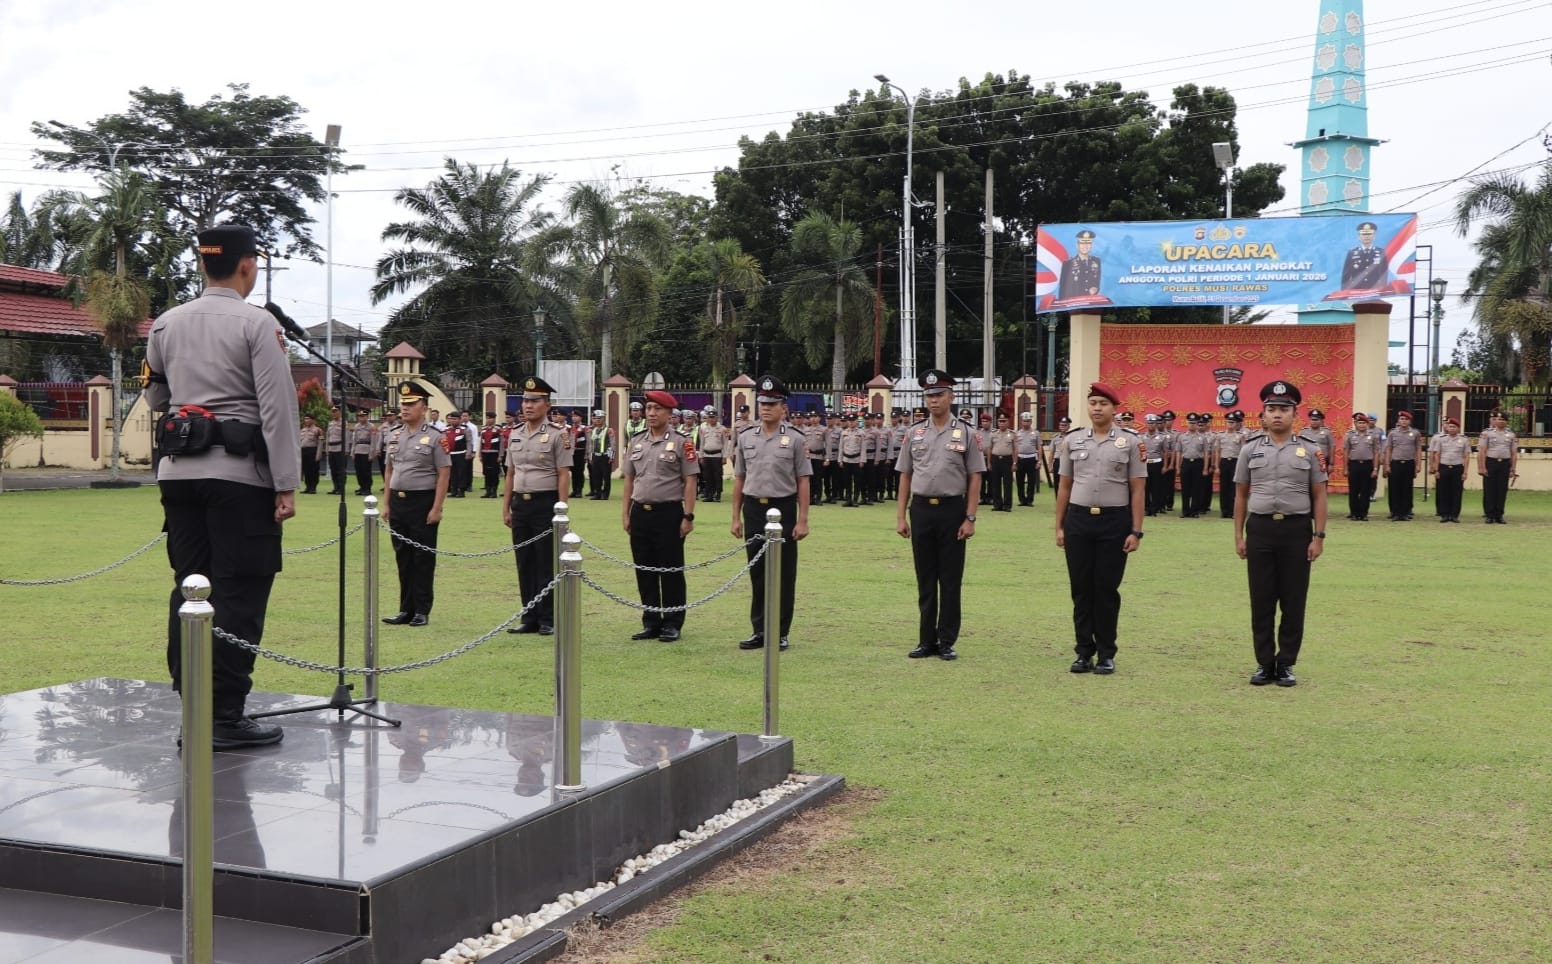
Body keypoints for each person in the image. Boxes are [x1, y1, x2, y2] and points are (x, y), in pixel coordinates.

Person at [143, 223, 298, 749]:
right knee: (239, 592)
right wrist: (286, 483)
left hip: (179, 475)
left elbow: (155, 397)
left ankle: (194, 709)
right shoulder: (258, 324)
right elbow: (277, 408)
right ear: (248, 266)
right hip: (239, 477)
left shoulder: (165, 324)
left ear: (202, 264)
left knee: (191, 589)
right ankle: (225, 717)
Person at [1233, 381, 1327, 687]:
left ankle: (1286, 662)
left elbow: (1320, 495)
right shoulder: (1249, 449)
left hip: (1296, 530)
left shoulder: (1311, 450)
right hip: (1259, 529)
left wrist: (1319, 536)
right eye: (1271, 409)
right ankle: (1264, 663)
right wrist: (1238, 535)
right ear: (1262, 414)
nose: (1277, 415)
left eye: (1283, 409)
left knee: (1293, 599)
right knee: (1261, 599)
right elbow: (1241, 495)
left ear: (1294, 414)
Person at [1055, 382, 1145, 675]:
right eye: (1093, 403)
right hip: (1078, 521)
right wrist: (1059, 525)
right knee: (1081, 589)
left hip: (1114, 522)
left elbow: (1137, 489)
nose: (1097, 408)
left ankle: (1106, 653)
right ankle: (1083, 652)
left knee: (1106, 590)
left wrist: (1136, 530)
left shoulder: (1131, 442)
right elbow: (1064, 486)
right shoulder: (1073, 440)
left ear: (1114, 408)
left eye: (1103, 404)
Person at [895, 370, 985, 661]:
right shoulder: (914, 433)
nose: (934, 400)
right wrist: (900, 516)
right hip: (921, 509)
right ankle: (926, 640)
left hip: (951, 510)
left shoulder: (967, 433)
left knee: (949, 578)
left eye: (939, 395)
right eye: (929, 396)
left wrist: (970, 517)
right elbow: (905, 475)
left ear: (951, 396)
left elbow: (975, 477)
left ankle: (946, 640)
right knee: (925, 577)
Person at [731, 374, 812, 652]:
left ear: (783, 407)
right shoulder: (745, 438)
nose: (765, 407)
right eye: (762, 402)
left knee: (784, 573)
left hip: (784, 508)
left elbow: (803, 479)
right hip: (754, 508)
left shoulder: (795, 439)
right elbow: (739, 478)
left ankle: (780, 631)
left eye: (772, 403)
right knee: (757, 571)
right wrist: (735, 516)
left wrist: (802, 520)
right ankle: (759, 629)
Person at [621, 390, 699, 642]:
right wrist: (625, 513)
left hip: (669, 513)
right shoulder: (636, 440)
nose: (651, 413)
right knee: (644, 569)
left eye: (657, 409)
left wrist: (688, 515)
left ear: (669, 413)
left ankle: (673, 622)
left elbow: (690, 480)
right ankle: (651, 620)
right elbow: (629, 479)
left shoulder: (681, 441)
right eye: (649, 409)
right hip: (641, 512)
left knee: (671, 570)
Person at [503, 376, 571, 635]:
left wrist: (561, 509)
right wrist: (506, 506)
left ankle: (547, 618)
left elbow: (563, 473)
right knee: (524, 561)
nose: (528, 406)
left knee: (545, 561)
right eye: (525, 401)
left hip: (546, 503)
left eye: (534, 401)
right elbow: (510, 472)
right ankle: (528, 615)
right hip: (521, 503)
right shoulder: (515, 433)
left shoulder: (557, 434)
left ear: (547, 404)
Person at [380, 379, 450, 627]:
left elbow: (443, 473)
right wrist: (386, 503)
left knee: (422, 557)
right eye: (403, 404)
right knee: (403, 557)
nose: (405, 408)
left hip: (423, 502)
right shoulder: (394, 434)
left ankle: (422, 609)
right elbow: (389, 471)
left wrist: (437, 507)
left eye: (411, 403)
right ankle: (405, 608)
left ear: (424, 407)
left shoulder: (434, 437)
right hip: (399, 502)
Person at [1477, 410, 1517, 523]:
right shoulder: (1487, 434)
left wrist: (1513, 468)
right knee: (1490, 489)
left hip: (1505, 464)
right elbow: (1483, 451)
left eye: (1503, 419)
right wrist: (1482, 467)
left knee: (1502, 490)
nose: (1500, 421)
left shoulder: (1511, 435)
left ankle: (1499, 515)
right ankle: (1489, 514)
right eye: (1498, 419)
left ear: (1506, 422)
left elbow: (1513, 453)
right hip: (1491, 462)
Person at [1429, 416, 1470, 523]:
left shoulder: (1464, 440)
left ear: (1458, 428)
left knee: (1456, 492)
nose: (1451, 428)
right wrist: (1436, 470)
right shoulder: (1441, 440)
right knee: (1443, 492)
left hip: (1457, 468)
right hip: (1444, 467)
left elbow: (1466, 456)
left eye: (1454, 427)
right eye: (1450, 426)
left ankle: (1454, 515)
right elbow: (1437, 455)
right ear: (1447, 428)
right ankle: (1444, 514)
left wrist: (1465, 472)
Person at [1382, 410, 1422, 521]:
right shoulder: (1392, 433)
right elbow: (1388, 449)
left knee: (1407, 489)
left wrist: (1418, 464)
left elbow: (1418, 449)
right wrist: (1387, 464)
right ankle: (1395, 512)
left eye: (1406, 419)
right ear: (1398, 421)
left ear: (1409, 421)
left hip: (1409, 463)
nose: (1403, 421)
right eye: (1401, 419)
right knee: (1394, 489)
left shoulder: (1415, 433)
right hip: (1395, 463)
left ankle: (1405, 513)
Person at [1342, 413, 1378, 520]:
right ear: (1356, 424)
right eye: (1359, 423)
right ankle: (1354, 513)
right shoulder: (1350, 436)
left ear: (1367, 424)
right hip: (1354, 465)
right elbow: (1345, 452)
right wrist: (1345, 468)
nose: (1362, 425)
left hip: (1367, 465)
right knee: (1353, 491)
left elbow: (1376, 452)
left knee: (1365, 491)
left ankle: (1363, 513)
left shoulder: (1372, 436)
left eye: (1363, 423)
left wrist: (1375, 468)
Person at [1214, 411, 1248, 519]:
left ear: (1236, 424)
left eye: (1232, 422)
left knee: (1234, 488)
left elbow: (1243, 452)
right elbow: (1217, 452)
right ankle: (1224, 511)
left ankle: (1233, 511)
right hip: (1224, 462)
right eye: (1228, 422)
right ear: (1226, 423)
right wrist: (1217, 466)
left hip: (1235, 462)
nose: (1230, 424)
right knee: (1224, 487)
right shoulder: (1220, 436)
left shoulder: (1240, 436)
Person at [1178, 413, 1210, 518]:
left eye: (1194, 423)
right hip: (1186, 463)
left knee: (1197, 488)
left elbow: (1206, 453)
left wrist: (1205, 468)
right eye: (1190, 423)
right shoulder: (1182, 437)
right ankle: (1185, 511)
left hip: (1198, 463)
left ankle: (1195, 511)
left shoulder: (1203, 437)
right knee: (1185, 489)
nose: (1192, 425)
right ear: (1187, 423)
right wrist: (1178, 466)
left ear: (1197, 424)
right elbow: (1178, 452)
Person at [1339, 221, 1387, 292]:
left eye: (1369, 234)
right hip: (1356, 290)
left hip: (1375, 290)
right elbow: (1346, 276)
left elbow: (1384, 273)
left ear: (1374, 236)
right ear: (1359, 237)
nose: (1366, 236)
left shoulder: (1381, 252)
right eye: (1364, 234)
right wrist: (1344, 292)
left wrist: (1382, 289)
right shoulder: (1352, 253)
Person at [1057, 229, 1102, 300]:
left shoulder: (1096, 261)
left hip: (1090, 301)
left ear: (1091, 246)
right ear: (1077, 245)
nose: (1085, 246)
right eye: (1082, 243)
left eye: (1088, 243)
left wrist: (1095, 288)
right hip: (1074, 303)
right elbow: (1063, 286)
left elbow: (1096, 281)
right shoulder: (1068, 263)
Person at [985, 413, 1016, 511]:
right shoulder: (993, 434)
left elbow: (1015, 449)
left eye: (1004, 421)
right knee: (995, 483)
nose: (1002, 423)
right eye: (1000, 421)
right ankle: (997, 504)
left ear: (1008, 422)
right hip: (995, 459)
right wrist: (989, 462)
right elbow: (989, 448)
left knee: (1007, 484)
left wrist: (1015, 463)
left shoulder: (1012, 434)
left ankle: (1007, 505)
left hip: (1007, 460)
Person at [697, 405, 728, 502]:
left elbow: (725, 444)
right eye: (709, 417)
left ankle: (717, 494)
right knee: (707, 476)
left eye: (713, 417)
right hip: (706, 455)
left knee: (717, 476)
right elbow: (701, 443)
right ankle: (709, 495)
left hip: (717, 456)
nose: (711, 419)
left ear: (717, 418)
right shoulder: (704, 429)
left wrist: (724, 456)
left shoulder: (722, 429)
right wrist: (701, 456)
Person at [586, 409, 617, 500]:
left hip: (605, 456)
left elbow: (613, 444)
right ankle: (597, 493)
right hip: (596, 456)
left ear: (604, 419)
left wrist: (611, 456)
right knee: (596, 476)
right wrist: (590, 456)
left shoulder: (609, 430)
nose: (597, 420)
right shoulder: (593, 430)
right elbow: (591, 444)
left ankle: (605, 494)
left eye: (599, 418)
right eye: (595, 418)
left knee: (606, 476)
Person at [1015, 412, 1042, 506]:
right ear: (1021, 422)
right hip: (1020, 458)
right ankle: (1022, 500)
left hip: (1031, 458)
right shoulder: (1017, 433)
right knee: (1020, 480)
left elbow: (1039, 447)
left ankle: (1029, 500)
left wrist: (1039, 461)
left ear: (1031, 421)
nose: (1026, 423)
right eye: (1024, 421)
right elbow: (1015, 448)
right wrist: (1014, 462)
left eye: (1028, 421)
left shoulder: (1036, 433)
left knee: (1031, 481)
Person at [350, 408, 377, 496]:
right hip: (358, 450)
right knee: (359, 471)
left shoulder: (371, 427)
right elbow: (354, 440)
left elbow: (373, 441)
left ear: (367, 416)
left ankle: (367, 488)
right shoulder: (357, 426)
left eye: (363, 416)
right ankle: (362, 487)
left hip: (366, 450)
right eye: (360, 416)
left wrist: (371, 453)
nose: (361, 418)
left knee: (366, 471)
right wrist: (352, 452)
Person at [479, 412, 505, 499]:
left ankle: (494, 491)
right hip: (485, 453)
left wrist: (500, 455)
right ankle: (488, 491)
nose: (488, 420)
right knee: (486, 473)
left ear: (494, 419)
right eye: (487, 418)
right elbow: (480, 442)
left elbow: (501, 443)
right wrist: (480, 455)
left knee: (494, 473)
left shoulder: (498, 429)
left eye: (490, 418)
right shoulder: (483, 429)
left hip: (494, 453)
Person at [324, 405, 346, 495]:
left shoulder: (344, 423)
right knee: (333, 469)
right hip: (331, 448)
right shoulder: (330, 423)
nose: (334, 413)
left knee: (340, 470)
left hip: (340, 448)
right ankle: (335, 487)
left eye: (336, 411)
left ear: (340, 412)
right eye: (332, 411)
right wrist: (327, 449)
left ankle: (341, 488)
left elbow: (346, 437)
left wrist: (346, 450)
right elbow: (328, 437)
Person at [298, 414, 322, 494]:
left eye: (308, 419)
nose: (306, 421)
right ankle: (307, 487)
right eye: (305, 419)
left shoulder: (318, 430)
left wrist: (318, 454)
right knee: (306, 470)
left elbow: (321, 442)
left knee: (313, 470)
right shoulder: (302, 430)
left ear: (313, 420)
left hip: (313, 451)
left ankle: (313, 487)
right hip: (304, 451)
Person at [568, 410, 588, 499]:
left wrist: (587, 454)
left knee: (579, 472)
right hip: (572, 452)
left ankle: (579, 490)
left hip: (581, 451)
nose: (574, 418)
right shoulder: (570, 428)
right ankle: (574, 490)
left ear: (580, 418)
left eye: (576, 416)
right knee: (573, 472)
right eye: (573, 416)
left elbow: (588, 442)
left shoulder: (585, 428)